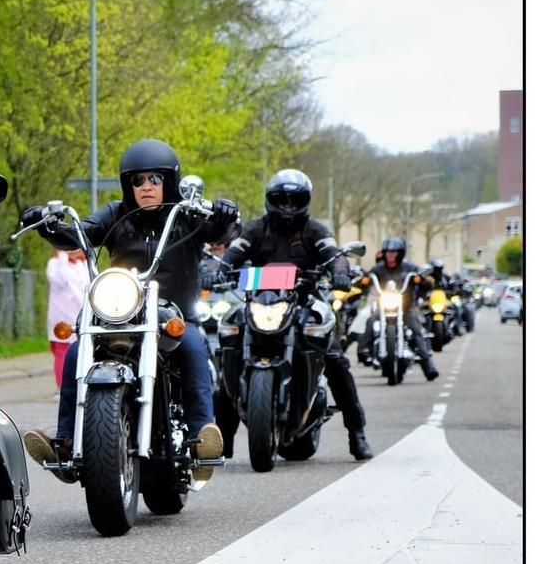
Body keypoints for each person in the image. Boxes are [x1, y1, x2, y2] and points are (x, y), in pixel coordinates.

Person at [18, 139, 239, 481]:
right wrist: (50, 227)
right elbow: (80, 234)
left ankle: (200, 438)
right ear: (128, 185)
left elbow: (219, 230)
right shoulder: (116, 214)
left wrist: (225, 217)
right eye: (138, 180)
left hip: (173, 313)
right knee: (78, 350)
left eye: (154, 179)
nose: (146, 186)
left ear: (169, 180)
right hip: (121, 310)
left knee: (193, 345)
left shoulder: (186, 215)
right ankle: (65, 441)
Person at [214, 169, 373, 460]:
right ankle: (222, 440)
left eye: (294, 200)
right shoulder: (255, 229)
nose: (287, 206)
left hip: (305, 302)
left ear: (304, 202)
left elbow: (333, 254)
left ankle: (357, 433)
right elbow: (234, 253)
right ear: (271, 201)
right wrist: (217, 270)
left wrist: (341, 273)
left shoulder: (315, 230)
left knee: (335, 359)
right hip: (261, 302)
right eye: (282, 200)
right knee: (229, 350)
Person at [348, 235, 439, 381]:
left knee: (416, 330)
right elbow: (365, 279)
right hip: (384, 306)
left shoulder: (409, 268)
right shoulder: (378, 269)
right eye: (388, 252)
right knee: (370, 321)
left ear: (400, 253)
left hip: (405, 308)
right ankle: (363, 352)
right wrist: (363, 280)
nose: (390, 255)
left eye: (394, 252)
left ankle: (428, 367)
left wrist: (421, 279)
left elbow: (428, 282)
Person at [45, 248, 88, 387]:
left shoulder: (81, 266)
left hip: (80, 315)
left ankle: (81, 384)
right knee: (62, 353)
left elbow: (88, 285)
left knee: (82, 351)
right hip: (61, 317)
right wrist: (63, 257)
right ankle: (62, 387)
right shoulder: (54, 264)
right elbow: (60, 280)